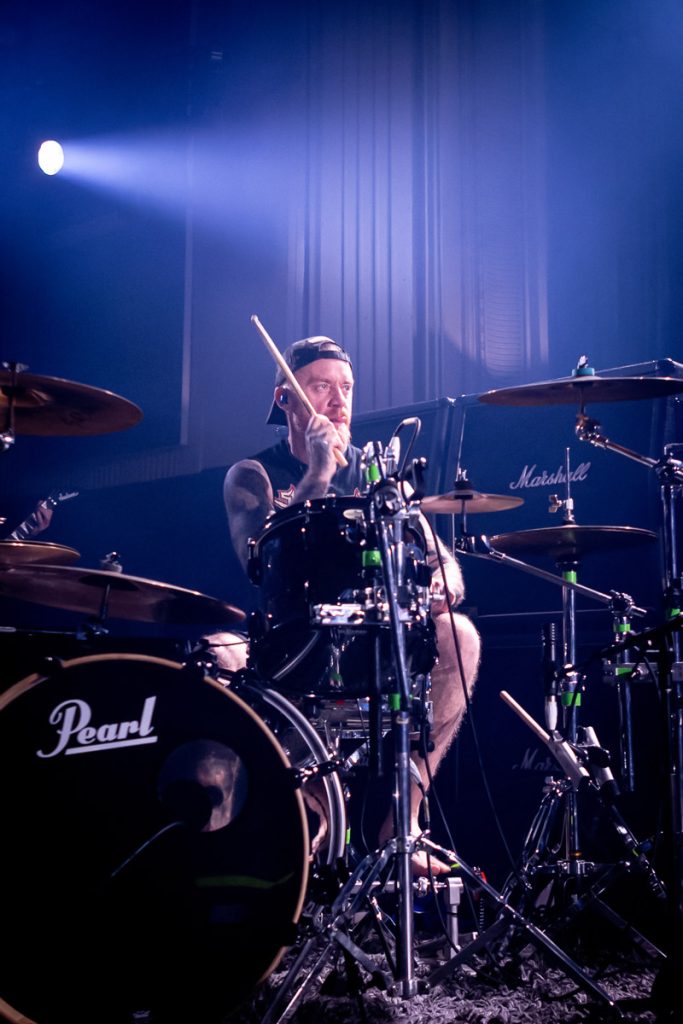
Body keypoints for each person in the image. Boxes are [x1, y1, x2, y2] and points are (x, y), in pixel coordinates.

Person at [222, 336, 480, 874]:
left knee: (462, 635)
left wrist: (444, 581)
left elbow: (440, 557)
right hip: (290, 645)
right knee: (219, 652)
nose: (339, 400)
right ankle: (286, 822)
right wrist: (318, 472)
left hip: (371, 641)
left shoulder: (373, 471)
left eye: (346, 388)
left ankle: (403, 822)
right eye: (321, 386)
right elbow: (254, 560)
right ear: (286, 399)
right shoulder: (252, 473)